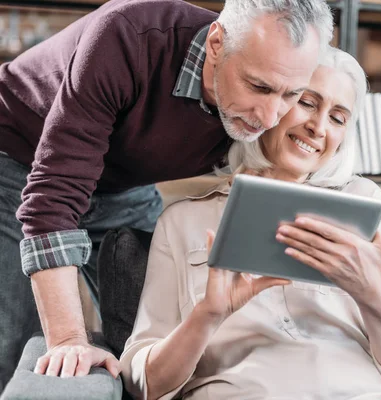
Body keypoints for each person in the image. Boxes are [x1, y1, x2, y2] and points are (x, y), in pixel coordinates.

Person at [0, 0, 337, 390]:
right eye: (258, 87)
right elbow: (52, 196)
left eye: (291, 94)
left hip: (127, 183)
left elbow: (312, 167)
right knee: (15, 344)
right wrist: (69, 341)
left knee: (154, 333)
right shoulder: (128, 36)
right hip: (18, 160)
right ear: (216, 44)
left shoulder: (285, 69)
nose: (269, 117)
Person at [120, 46, 381, 400]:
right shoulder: (182, 222)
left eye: (338, 118)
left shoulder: (365, 201)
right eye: (308, 102)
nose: (318, 127)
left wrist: (371, 293)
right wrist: (209, 314)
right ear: (273, 104)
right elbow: (144, 384)